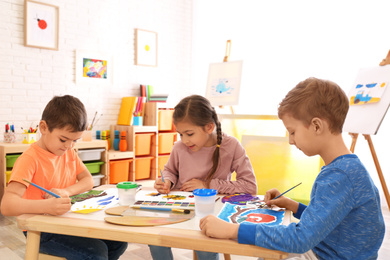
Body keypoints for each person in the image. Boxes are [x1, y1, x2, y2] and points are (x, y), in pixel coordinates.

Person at [199, 77, 385, 260]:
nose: (290, 140)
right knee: (269, 250)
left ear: (316, 126)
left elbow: (301, 239)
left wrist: (233, 230)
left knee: (268, 250)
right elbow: (328, 220)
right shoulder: (346, 167)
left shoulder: (340, 175)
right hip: (328, 249)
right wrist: (293, 206)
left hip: (327, 255)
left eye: (293, 132)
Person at [1, 95, 128, 260]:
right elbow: (7, 206)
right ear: (43, 128)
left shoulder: (69, 152)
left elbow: (88, 180)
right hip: (41, 230)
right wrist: (47, 206)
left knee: (118, 242)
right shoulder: (29, 159)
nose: (69, 146)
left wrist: (66, 191)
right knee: (95, 253)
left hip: (67, 222)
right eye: (63, 139)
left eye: (75, 140)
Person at [149, 94, 257, 260]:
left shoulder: (231, 146)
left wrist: (207, 185)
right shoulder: (179, 148)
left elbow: (249, 186)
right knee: (154, 237)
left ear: (209, 127)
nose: (184, 140)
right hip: (179, 207)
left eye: (189, 134)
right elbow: (170, 170)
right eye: (180, 134)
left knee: (204, 246)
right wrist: (167, 181)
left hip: (211, 212)